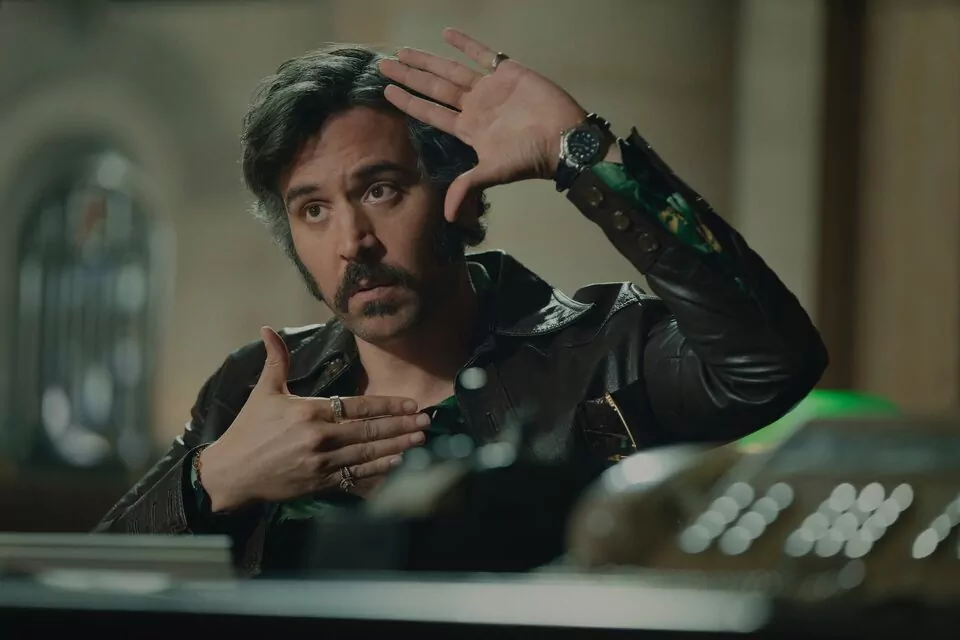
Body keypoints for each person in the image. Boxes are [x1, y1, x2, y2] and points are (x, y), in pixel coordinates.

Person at [95, 28, 827, 576]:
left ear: (462, 196)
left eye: (381, 190)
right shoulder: (254, 388)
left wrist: (583, 153)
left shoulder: (607, 351)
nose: (353, 243)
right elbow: (87, 580)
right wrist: (214, 480)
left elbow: (772, 363)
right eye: (313, 210)